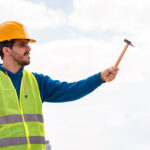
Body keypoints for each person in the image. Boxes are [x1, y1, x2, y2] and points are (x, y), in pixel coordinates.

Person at [0, 21, 119, 150]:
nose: (29, 48)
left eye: (28, 44)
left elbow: (70, 91)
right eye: (23, 44)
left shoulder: (37, 81)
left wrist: (100, 77)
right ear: (6, 50)